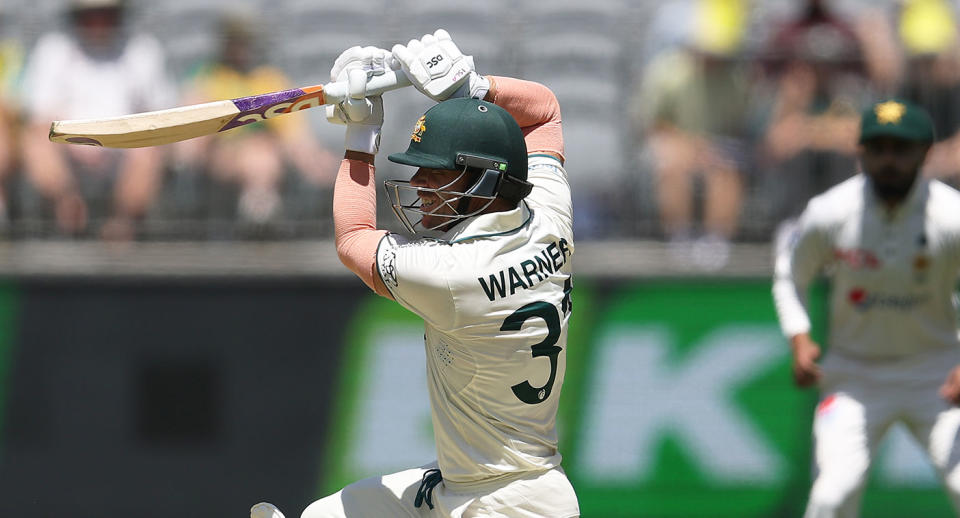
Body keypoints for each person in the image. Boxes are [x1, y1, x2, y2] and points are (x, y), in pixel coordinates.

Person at [251, 29, 579, 518]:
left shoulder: (453, 275)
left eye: (436, 172)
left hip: (510, 504)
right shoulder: (548, 219)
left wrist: (361, 135)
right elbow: (546, 111)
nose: (419, 185)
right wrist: (470, 87)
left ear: (484, 178)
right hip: (474, 482)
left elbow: (354, 238)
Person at [772, 99, 960, 517]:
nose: (889, 160)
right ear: (861, 153)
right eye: (878, 148)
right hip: (854, 377)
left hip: (937, 374)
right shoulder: (831, 212)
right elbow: (791, 274)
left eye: (901, 148)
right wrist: (799, 337)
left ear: (925, 153)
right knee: (830, 498)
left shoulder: (951, 215)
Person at [19, 0, 175, 239]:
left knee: (151, 148)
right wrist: (80, 142)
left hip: (128, 146)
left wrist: (118, 141)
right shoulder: (54, 49)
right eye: (90, 15)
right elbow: (40, 117)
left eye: (106, 14)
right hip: (67, 146)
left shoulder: (143, 50)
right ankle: (68, 208)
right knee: (35, 142)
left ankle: (121, 226)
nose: (98, 22)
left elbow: (161, 115)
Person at [173, 13, 337, 227]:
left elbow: (294, 135)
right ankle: (259, 214)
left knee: (262, 154)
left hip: (266, 153)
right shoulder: (207, 77)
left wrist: (314, 161)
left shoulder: (268, 78)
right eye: (235, 41)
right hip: (220, 156)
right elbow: (190, 135)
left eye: (245, 41)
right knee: (256, 155)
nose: (241, 48)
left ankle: (259, 213)